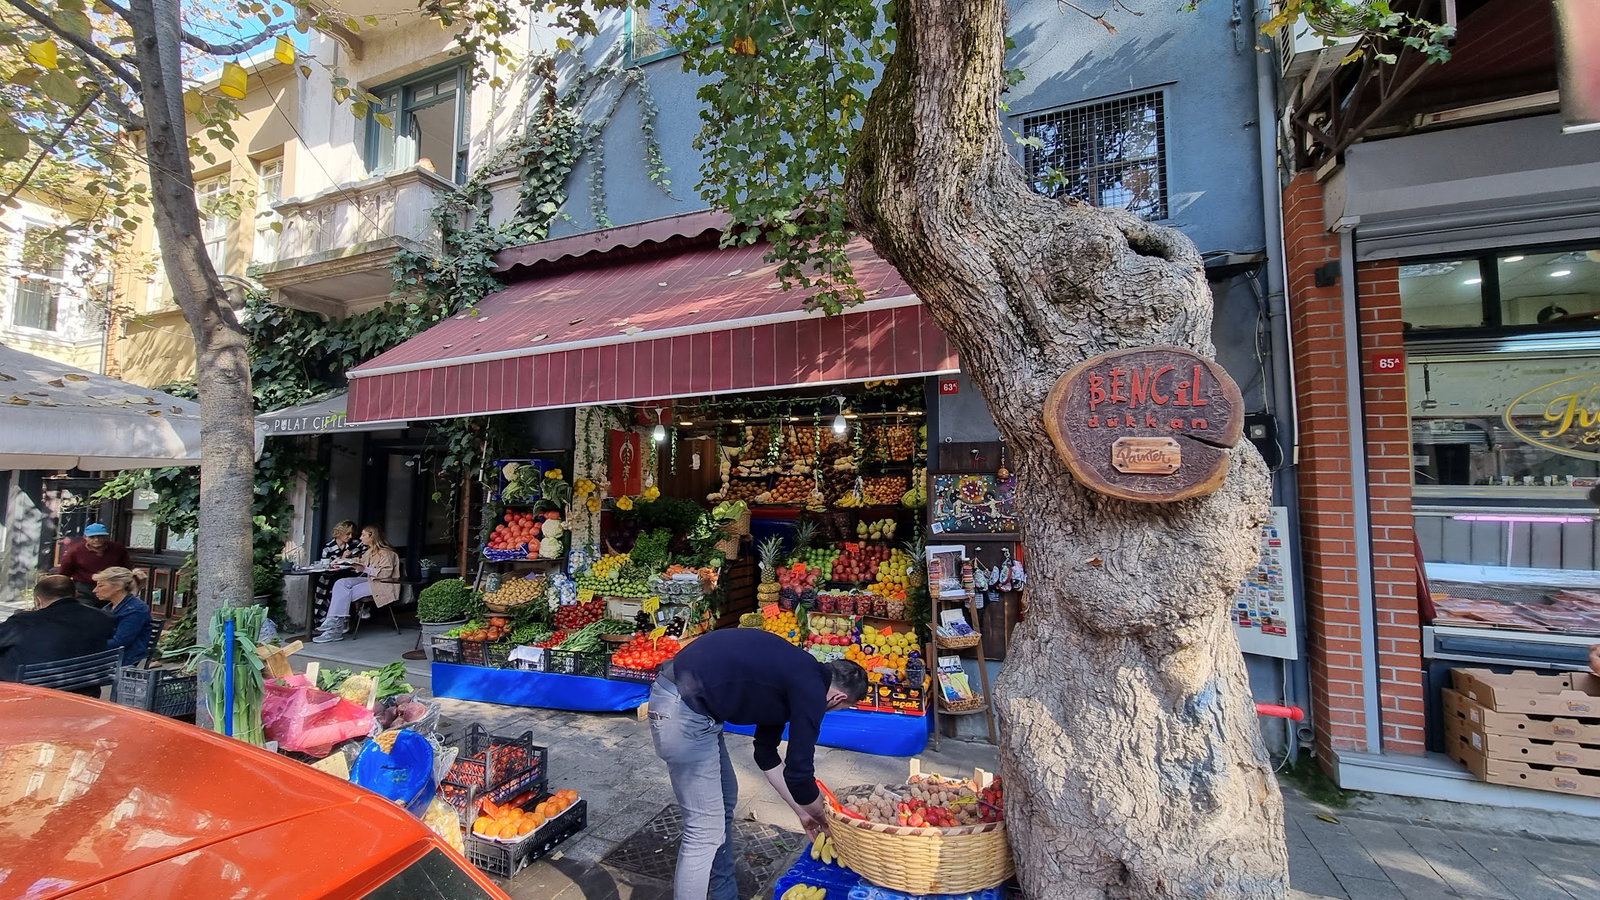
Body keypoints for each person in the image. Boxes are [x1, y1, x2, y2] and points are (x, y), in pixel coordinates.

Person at [649, 628, 868, 900]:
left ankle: (723, 894)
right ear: (838, 698)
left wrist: (803, 813)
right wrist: (825, 817)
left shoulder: (796, 674)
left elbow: (765, 753)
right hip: (682, 709)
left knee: (726, 799)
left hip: (694, 708)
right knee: (703, 830)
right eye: (837, 710)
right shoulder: (811, 689)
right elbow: (799, 773)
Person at [0, 575, 118, 691]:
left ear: (38, 600)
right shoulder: (105, 618)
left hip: (30, 693)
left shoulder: (23, 622)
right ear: (76, 594)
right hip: (85, 690)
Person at [312, 525, 401, 643]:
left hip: (383, 584)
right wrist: (344, 560)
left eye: (363, 535)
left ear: (372, 537)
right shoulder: (370, 551)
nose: (360, 537)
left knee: (346, 593)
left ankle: (334, 629)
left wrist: (364, 569)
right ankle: (334, 622)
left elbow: (385, 574)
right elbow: (360, 561)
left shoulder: (386, 553)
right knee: (340, 583)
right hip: (371, 581)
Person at [57, 523, 133, 605]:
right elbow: (64, 573)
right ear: (85, 537)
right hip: (84, 589)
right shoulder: (75, 551)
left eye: (100, 536)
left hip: (111, 587)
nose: (96, 539)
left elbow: (126, 569)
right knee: (86, 612)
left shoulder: (117, 549)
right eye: (92, 537)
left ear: (106, 537)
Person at [96, 567, 153, 667]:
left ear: (118, 586)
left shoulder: (136, 609)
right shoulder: (108, 608)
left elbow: (120, 642)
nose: (95, 590)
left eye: (100, 586)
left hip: (124, 661)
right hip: (109, 658)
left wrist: (89, 646)